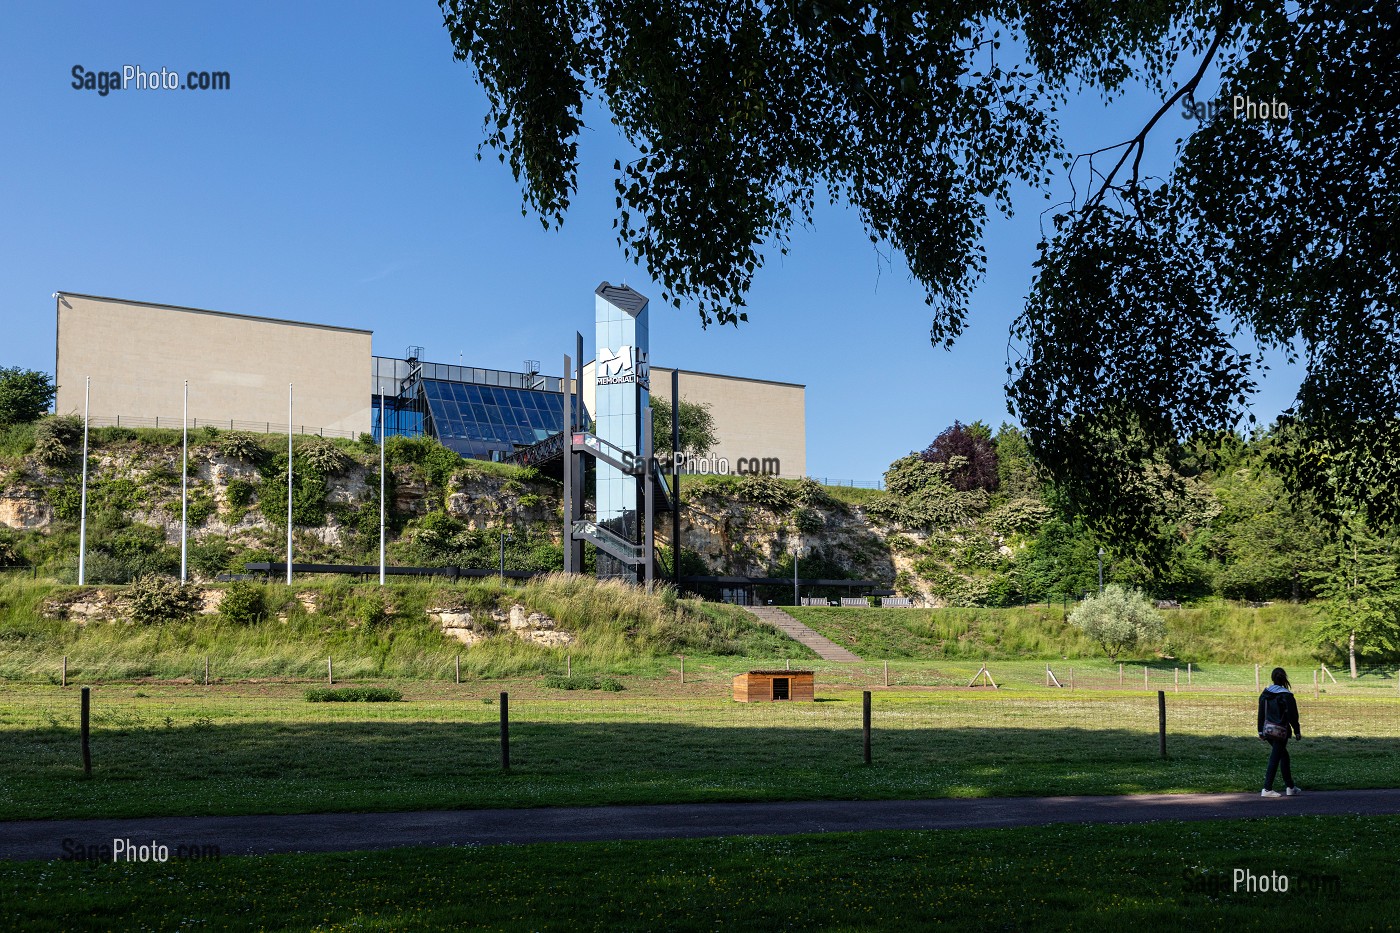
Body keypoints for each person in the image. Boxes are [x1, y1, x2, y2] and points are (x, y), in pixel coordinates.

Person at [1257, 667, 1302, 797]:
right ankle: (1267, 788)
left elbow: (1261, 713)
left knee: (1283, 756)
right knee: (1275, 757)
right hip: (1281, 731)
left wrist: (1260, 730)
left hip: (1267, 730)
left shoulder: (1265, 694)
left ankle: (1290, 786)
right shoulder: (1286, 695)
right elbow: (1293, 715)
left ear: (1272, 678)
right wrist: (1297, 730)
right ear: (1284, 678)